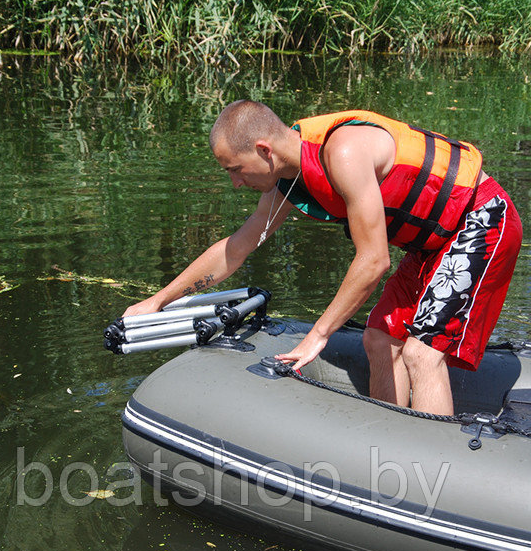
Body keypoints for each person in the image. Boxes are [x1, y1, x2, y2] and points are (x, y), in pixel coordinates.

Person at [123, 100, 522, 416]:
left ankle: (437, 472)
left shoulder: (343, 153)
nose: (235, 182)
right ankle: (395, 441)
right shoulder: (288, 178)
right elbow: (236, 248)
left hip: (480, 219)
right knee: (379, 339)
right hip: (432, 242)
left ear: (264, 151)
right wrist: (159, 301)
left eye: (236, 169)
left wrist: (318, 335)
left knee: (422, 352)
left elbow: (373, 260)